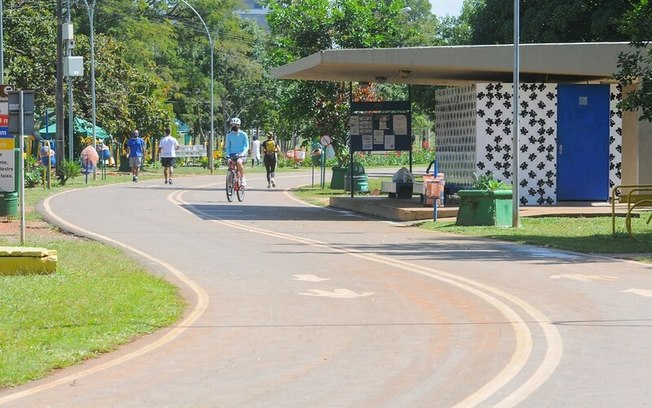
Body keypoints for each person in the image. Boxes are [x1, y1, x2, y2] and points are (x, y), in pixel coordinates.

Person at [225, 117, 249, 187]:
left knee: (239, 162)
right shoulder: (229, 135)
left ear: (239, 125)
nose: (234, 126)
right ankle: (230, 185)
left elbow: (247, 146)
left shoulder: (243, 134)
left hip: (241, 154)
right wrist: (228, 155)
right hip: (232, 154)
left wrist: (242, 153)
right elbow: (228, 147)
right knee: (230, 166)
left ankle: (242, 178)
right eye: (233, 125)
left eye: (236, 125)